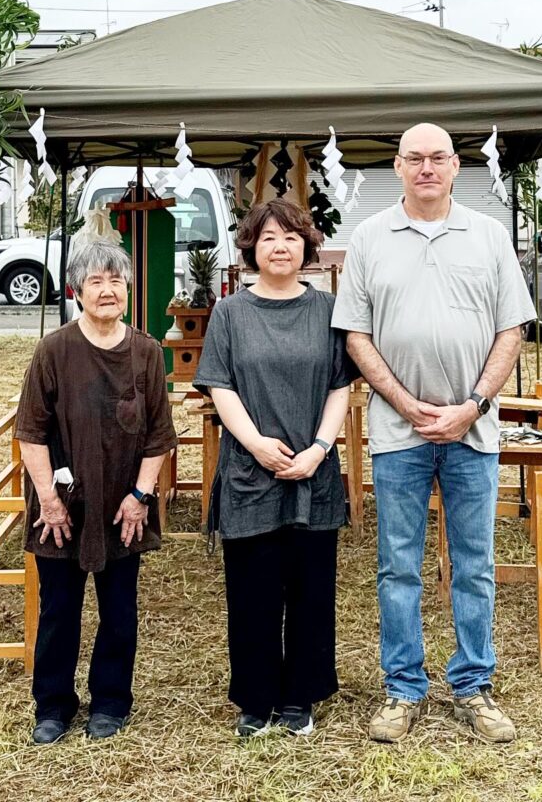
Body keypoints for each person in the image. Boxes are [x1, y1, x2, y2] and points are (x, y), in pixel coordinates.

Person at [332, 122, 535, 745]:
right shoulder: (368, 239)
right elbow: (355, 334)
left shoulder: (488, 235)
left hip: (473, 433)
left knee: (474, 563)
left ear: (454, 166)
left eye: (437, 158)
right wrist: (406, 403)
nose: (426, 168)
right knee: (398, 566)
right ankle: (403, 688)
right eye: (414, 158)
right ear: (397, 167)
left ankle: (473, 686)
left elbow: (512, 331)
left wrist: (471, 406)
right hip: (399, 432)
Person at [194, 198, 355, 738]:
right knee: (252, 591)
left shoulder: (327, 309)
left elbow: (340, 385)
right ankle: (256, 699)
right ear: (251, 249)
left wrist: (319, 448)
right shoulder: (230, 313)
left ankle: (299, 697)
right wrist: (257, 443)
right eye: (267, 238)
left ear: (306, 246)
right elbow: (220, 384)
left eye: (289, 236)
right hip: (249, 469)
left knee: (311, 590)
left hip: (314, 468)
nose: (279, 246)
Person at [15, 238, 177, 745]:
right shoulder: (54, 350)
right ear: (76, 291)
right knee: (59, 609)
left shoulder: (147, 352)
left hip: (124, 502)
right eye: (96, 282)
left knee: (119, 608)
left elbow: (158, 436)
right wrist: (49, 500)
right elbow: (30, 432)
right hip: (60, 502)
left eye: (116, 280)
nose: (107, 291)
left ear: (128, 287)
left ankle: (110, 702)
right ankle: (54, 706)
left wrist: (141, 496)